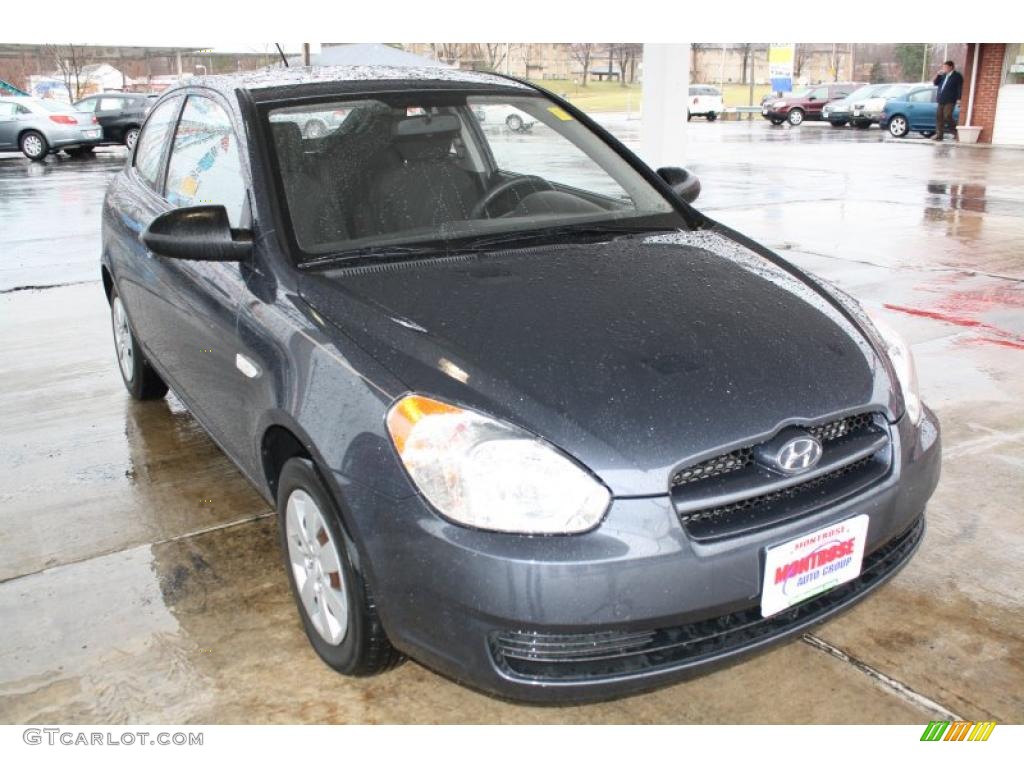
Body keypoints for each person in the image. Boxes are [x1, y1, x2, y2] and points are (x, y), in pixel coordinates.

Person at [933, 60, 963, 141]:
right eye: (943, 67)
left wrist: (959, 99)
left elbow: (959, 88)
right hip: (941, 99)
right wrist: (938, 75)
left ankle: (956, 132)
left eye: (946, 67)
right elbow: (935, 83)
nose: (944, 68)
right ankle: (939, 135)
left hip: (950, 100)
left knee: (947, 116)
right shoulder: (943, 75)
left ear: (951, 67)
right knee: (939, 117)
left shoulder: (957, 76)